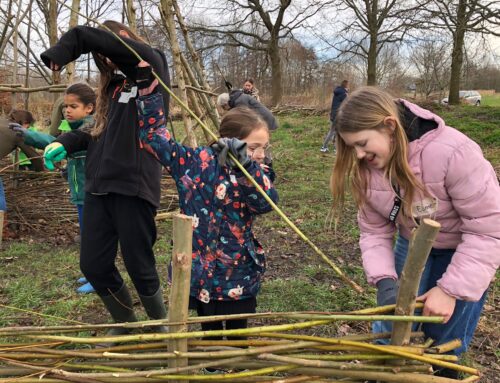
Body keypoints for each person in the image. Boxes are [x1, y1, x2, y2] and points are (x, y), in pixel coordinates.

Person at [330, 86, 500, 378]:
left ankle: (443, 373)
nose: (358, 154)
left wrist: (450, 290)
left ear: (389, 126)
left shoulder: (454, 153)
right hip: (412, 245)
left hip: (462, 250)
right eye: (351, 146)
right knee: (391, 324)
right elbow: (374, 231)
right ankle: (390, 370)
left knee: (444, 334)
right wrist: (385, 280)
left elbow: (489, 228)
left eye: (362, 143)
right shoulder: (367, 169)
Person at [41, 20, 170, 334]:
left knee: (139, 264)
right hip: (99, 187)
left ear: (123, 40)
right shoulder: (112, 89)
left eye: (108, 50)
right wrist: (64, 142)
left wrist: (78, 40)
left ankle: (160, 328)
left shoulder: (151, 70)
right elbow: (93, 134)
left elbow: (127, 52)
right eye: (101, 57)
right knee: (94, 265)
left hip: (133, 185)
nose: (106, 60)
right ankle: (125, 323)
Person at [137, 87, 278, 340]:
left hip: (238, 271)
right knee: (209, 332)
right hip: (200, 271)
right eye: (254, 147)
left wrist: (247, 166)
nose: (261, 154)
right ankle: (212, 368)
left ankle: (235, 367)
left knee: (237, 333)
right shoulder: (194, 162)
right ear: (229, 139)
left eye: (264, 147)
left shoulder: (258, 171)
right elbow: (152, 139)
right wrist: (149, 95)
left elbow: (265, 203)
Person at [12, 83, 98, 294]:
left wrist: (29, 135)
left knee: (94, 237)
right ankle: (92, 274)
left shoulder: (91, 129)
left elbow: (54, 141)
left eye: (73, 106)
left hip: (92, 195)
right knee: (87, 235)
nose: (67, 110)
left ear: (89, 108)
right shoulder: (75, 129)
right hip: (81, 194)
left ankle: (98, 278)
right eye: (65, 107)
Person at [321, 80, 349, 153]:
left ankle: (328, 147)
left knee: (335, 132)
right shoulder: (343, 93)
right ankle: (329, 148)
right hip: (338, 114)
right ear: (346, 85)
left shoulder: (337, 91)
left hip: (333, 114)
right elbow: (347, 103)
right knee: (335, 132)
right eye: (348, 85)